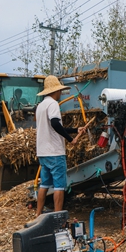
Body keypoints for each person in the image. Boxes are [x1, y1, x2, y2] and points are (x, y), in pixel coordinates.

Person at [35, 76, 85, 216]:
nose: (61, 94)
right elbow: (55, 124)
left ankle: (38, 214)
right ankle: (58, 218)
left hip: (43, 153)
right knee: (59, 187)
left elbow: (55, 127)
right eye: (60, 91)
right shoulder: (53, 104)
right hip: (55, 153)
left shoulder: (41, 106)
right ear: (55, 91)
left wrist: (76, 130)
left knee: (44, 185)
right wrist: (70, 139)